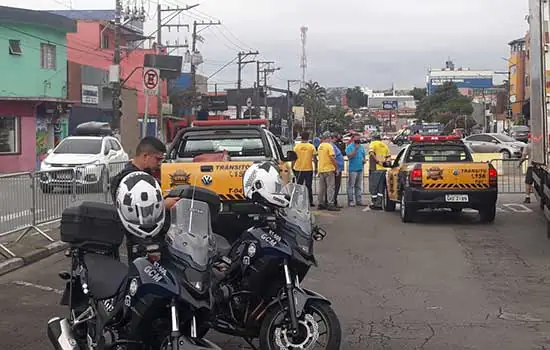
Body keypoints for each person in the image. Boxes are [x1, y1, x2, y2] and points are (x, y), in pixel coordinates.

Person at [110, 136, 178, 210]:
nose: (160, 163)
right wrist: (163, 205)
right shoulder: (130, 179)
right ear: (145, 156)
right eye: (157, 159)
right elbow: (133, 209)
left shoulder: (143, 174)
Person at [317, 132, 339, 211]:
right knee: (330, 187)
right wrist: (336, 168)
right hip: (329, 169)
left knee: (321, 188)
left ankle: (320, 203)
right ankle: (330, 204)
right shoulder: (329, 146)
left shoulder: (320, 146)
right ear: (328, 138)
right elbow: (332, 157)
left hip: (321, 169)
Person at [368, 133, 391, 209]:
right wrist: (385, 163)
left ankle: (374, 203)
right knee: (380, 187)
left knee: (374, 186)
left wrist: (377, 161)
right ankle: (379, 203)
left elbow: (371, 153)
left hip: (375, 168)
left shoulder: (373, 143)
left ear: (374, 138)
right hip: (383, 169)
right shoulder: (384, 145)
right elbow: (388, 157)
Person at [293, 131, 316, 206]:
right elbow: (315, 158)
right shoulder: (311, 147)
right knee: (309, 186)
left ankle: (296, 202)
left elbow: (294, 159)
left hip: (298, 169)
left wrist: (292, 167)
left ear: (301, 138)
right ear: (308, 137)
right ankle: (310, 201)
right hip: (308, 169)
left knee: (298, 186)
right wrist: (316, 167)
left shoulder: (296, 147)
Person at [346, 133, 367, 207]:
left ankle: (359, 200)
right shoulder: (350, 147)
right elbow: (349, 156)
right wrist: (355, 149)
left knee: (358, 186)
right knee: (351, 185)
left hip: (360, 168)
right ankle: (351, 200)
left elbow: (364, 155)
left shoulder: (361, 147)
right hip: (353, 169)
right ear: (353, 139)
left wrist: (364, 160)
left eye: (359, 140)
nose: (358, 141)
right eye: (356, 140)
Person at [331, 132, 345, 208]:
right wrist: (336, 169)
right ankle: (333, 201)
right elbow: (333, 158)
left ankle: (334, 201)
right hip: (336, 169)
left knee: (336, 186)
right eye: (336, 138)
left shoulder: (334, 146)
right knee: (335, 186)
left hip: (337, 168)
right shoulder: (332, 146)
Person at [521, 139, 533, 204]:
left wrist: (520, 163)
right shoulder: (541, 144)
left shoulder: (528, 146)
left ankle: (527, 197)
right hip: (541, 166)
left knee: (528, 182)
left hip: (531, 166)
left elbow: (523, 156)